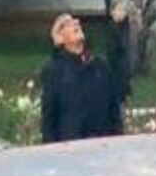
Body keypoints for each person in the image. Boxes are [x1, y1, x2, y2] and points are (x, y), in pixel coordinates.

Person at [39, 11, 122, 144]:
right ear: (59, 38)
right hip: (71, 150)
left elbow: (114, 110)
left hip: (104, 146)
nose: (76, 22)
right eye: (66, 24)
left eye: (75, 21)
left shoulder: (100, 66)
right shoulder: (54, 70)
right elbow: (49, 120)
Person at [102, 0, 135, 110]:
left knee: (125, 92)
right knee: (117, 94)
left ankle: (124, 107)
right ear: (112, 12)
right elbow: (111, 50)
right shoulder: (111, 28)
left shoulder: (125, 26)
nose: (122, 13)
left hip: (124, 66)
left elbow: (127, 46)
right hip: (115, 67)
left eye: (124, 10)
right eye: (119, 10)